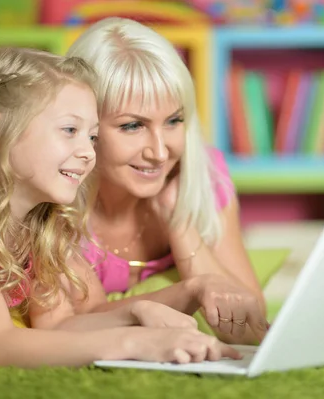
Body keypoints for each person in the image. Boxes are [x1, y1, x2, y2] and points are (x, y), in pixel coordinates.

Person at [0, 47, 240, 367]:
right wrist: (134, 343)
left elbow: (56, 325)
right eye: (70, 130)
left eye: (92, 137)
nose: (88, 153)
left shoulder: (42, 213)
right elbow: (0, 345)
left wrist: (136, 315)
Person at [67, 18, 268, 345]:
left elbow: (251, 328)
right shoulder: (54, 201)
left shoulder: (204, 174)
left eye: (174, 120)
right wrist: (193, 288)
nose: (160, 153)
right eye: (132, 126)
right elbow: (74, 324)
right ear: (84, 126)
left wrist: (179, 223)